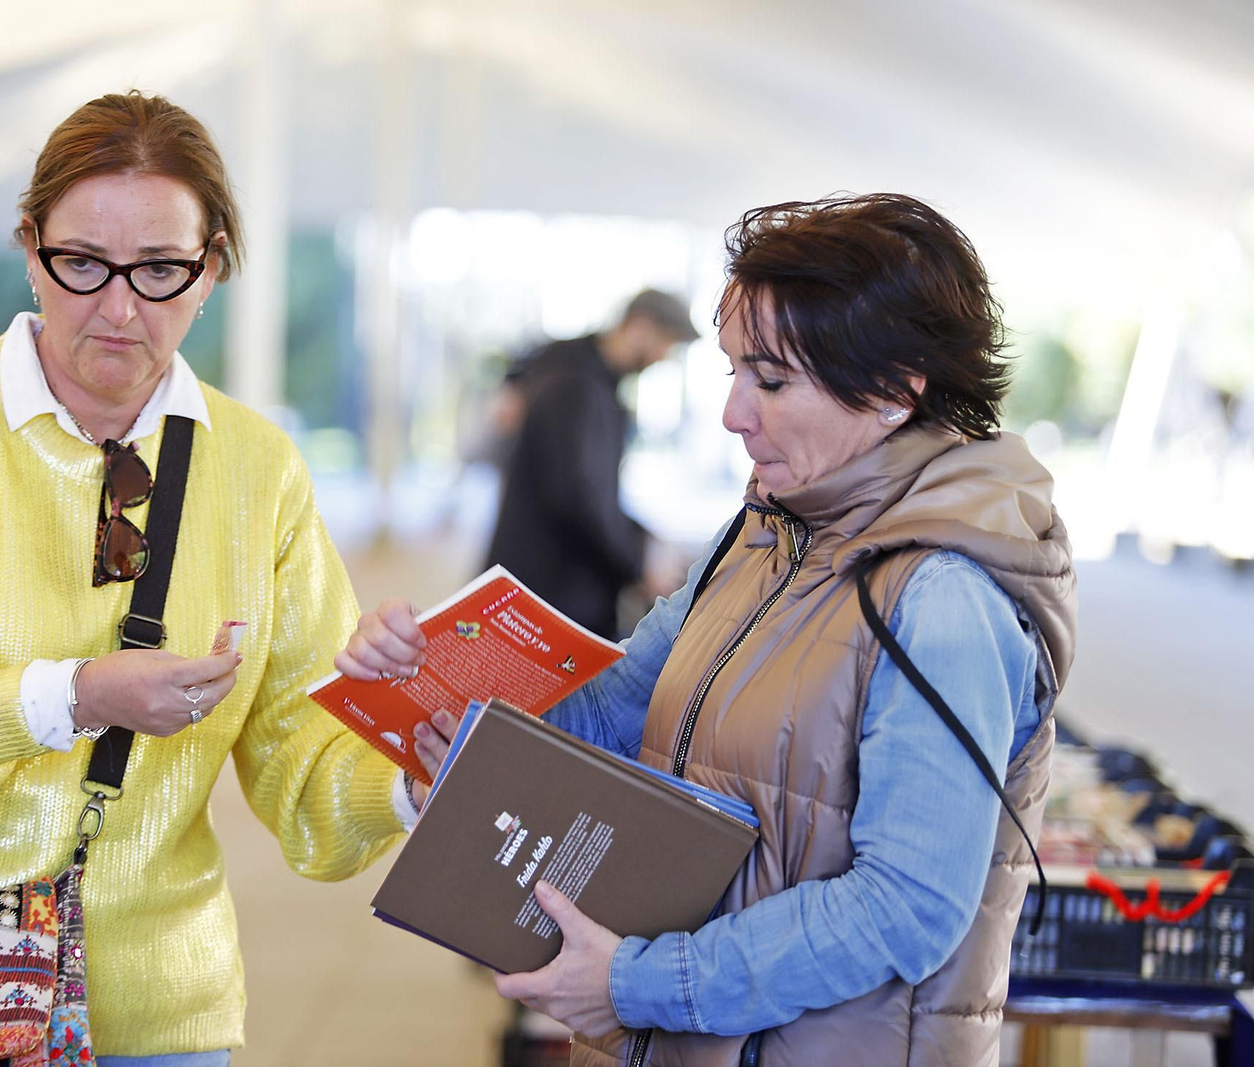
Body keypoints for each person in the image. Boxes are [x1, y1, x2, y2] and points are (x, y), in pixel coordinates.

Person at [0, 91, 416, 1065]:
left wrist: (410, 771)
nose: (120, 307)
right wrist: (78, 695)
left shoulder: (258, 469)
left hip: (155, 1011)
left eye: (162, 269)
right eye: (83, 263)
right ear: (29, 246)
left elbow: (307, 785)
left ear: (213, 265)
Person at [338, 194, 1077, 1066]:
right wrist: (438, 689)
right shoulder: (763, 537)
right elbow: (613, 709)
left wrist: (641, 982)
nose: (733, 412)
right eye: (732, 372)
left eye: (771, 380)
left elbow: (906, 906)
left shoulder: (944, 600)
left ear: (893, 389)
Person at [483, 288, 700, 639]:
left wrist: (643, 540)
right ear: (641, 326)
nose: (664, 358)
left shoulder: (580, 372)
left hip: (551, 588)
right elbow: (581, 499)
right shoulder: (577, 385)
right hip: (548, 596)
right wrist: (638, 565)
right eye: (667, 343)